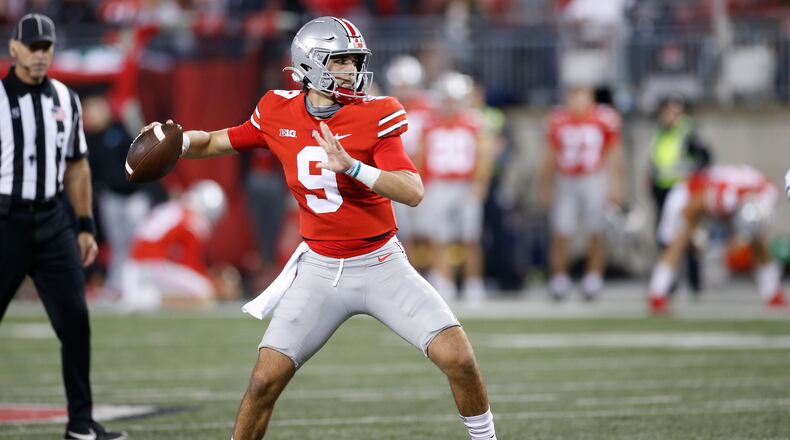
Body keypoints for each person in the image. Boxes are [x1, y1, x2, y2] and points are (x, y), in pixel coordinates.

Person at [143, 16, 497, 440]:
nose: (351, 70)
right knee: (263, 382)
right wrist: (177, 140)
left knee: (459, 358)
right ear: (309, 65)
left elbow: (412, 189)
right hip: (319, 269)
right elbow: (219, 141)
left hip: (381, 262)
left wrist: (354, 167)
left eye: (354, 61)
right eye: (341, 61)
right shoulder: (276, 108)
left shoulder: (378, 113)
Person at [0, 14, 127, 440]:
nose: (39, 55)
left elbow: (77, 165)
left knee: (75, 321)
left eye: (46, 48)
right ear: (14, 48)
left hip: (53, 220)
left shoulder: (65, 98)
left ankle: (80, 423)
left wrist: (86, 224)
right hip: (6, 220)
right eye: (32, 47)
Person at [648, 164, 787, 314]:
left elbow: (756, 227)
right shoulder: (726, 198)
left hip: (725, 199)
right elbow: (691, 209)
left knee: (759, 240)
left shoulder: (767, 198)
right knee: (678, 239)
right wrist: (696, 233)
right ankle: (657, 293)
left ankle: (773, 293)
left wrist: (741, 237)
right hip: (686, 194)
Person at [538, 85, 624, 301]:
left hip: (594, 177)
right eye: (573, 93)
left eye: (581, 93)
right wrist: (545, 186)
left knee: (596, 230)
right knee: (561, 231)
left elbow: (614, 153)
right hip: (566, 179)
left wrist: (616, 185)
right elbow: (550, 155)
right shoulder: (557, 119)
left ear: (591, 96)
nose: (576, 98)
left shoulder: (604, 118)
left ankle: (593, 279)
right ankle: (559, 279)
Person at [416, 71, 491, 301]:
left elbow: (484, 155)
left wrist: (480, 183)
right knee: (439, 237)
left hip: (465, 183)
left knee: (470, 237)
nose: (450, 104)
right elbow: (421, 156)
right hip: (438, 184)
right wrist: (422, 183)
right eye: (446, 99)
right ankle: (444, 281)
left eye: (454, 99)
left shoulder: (474, 123)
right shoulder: (430, 124)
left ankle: (473, 283)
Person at [121, 180, 227, 311]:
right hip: (153, 265)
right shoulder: (194, 221)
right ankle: (157, 301)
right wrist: (215, 284)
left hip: (133, 266)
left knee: (145, 299)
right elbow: (190, 264)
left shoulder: (172, 208)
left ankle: (149, 299)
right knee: (206, 291)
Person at [648, 93, 711, 295]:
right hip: (662, 189)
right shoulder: (659, 131)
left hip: (682, 190)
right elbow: (655, 160)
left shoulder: (687, 132)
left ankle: (694, 282)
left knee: (686, 235)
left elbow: (704, 158)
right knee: (665, 238)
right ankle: (669, 281)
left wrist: (689, 176)